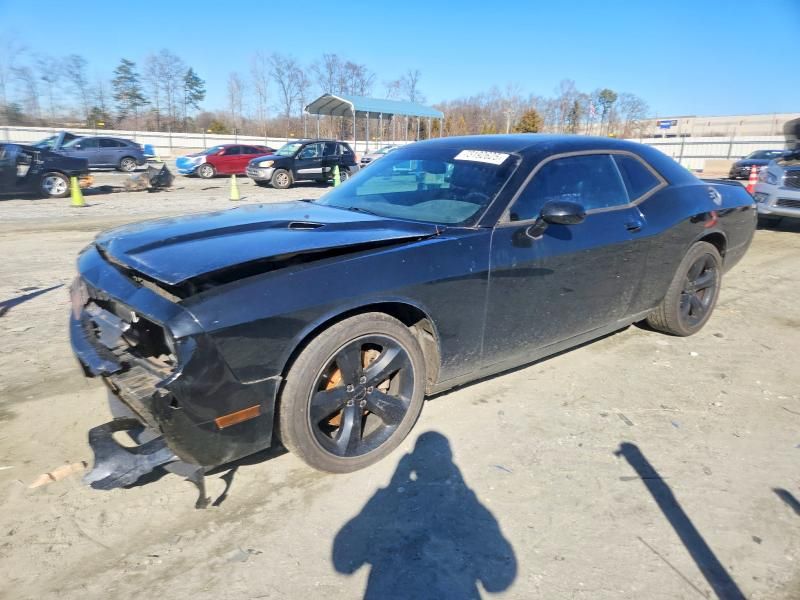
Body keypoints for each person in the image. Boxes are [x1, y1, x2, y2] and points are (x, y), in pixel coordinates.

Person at [333, 431, 517, 599]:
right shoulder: (468, 507)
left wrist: (393, 489)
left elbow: (343, 561)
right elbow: (498, 581)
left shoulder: (388, 503)